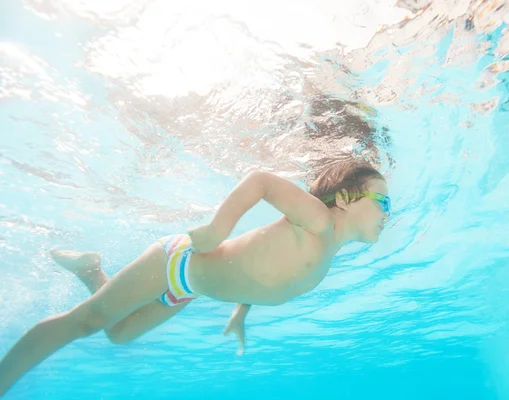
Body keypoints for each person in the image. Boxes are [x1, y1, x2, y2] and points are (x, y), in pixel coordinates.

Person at [0, 158, 391, 396]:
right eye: (383, 202)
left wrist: (241, 313)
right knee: (85, 322)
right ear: (343, 198)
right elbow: (261, 181)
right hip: (180, 263)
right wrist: (218, 229)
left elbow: (266, 270)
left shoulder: (326, 256)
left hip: (186, 290)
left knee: (117, 334)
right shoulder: (319, 222)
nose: (389, 213)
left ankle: (90, 269)